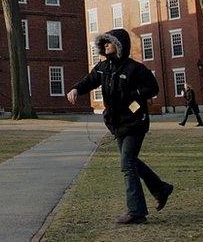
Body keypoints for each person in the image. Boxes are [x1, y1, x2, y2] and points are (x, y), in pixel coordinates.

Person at [68, 28, 174, 225]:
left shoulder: (134, 68)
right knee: (131, 161)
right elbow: (89, 81)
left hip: (135, 122)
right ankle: (160, 189)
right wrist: (75, 89)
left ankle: (137, 212)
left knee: (127, 164)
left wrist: (134, 94)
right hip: (117, 124)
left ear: (119, 46)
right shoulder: (102, 67)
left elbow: (153, 88)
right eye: (104, 43)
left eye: (109, 42)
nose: (105, 45)